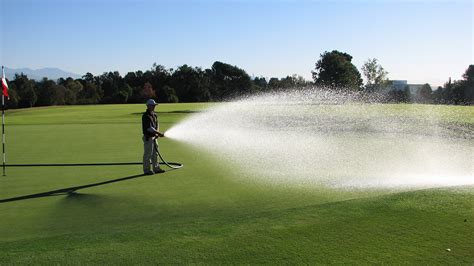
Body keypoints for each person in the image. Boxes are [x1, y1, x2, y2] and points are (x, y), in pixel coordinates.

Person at [142, 99, 165, 175]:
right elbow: (149, 128)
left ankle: (156, 168)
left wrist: (157, 133)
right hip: (148, 137)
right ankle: (147, 170)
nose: (154, 107)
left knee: (155, 154)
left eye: (154, 105)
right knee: (148, 154)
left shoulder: (154, 115)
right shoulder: (146, 116)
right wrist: (158, 133)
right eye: (152, 105)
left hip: (154, 137)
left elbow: (157, 124)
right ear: (148, 106)